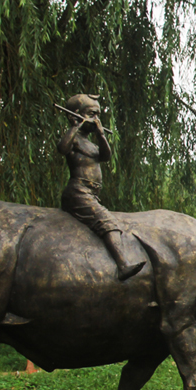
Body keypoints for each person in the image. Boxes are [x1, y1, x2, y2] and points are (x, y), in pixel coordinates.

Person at [57, 94, 145, 281]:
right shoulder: (74, 138)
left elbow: (105, 156)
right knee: (109, 224)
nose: (96, 119)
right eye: (91, 114)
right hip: (78, 192)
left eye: (98, 115)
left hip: (91, 193)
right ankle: (122, 265)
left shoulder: (90, 143)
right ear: (77, 115)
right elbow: (62, 149)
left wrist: (101, 135)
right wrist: (74, 126)